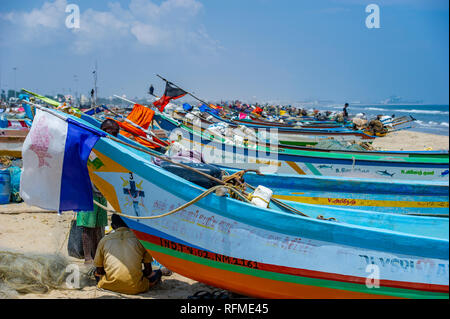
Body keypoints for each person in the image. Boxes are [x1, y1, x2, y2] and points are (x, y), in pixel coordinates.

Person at [76, 119, 120, 265]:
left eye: (116, 134)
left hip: (101, 191)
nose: (114, 136)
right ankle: (88, 257)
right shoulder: (93, 145)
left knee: (99, 225)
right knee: (87, 226)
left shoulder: (111, 148)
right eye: (111, 133)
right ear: (104, 131)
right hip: (88, 191)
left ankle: (97, 254)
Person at [93, 214, 163, 295]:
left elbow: (99, 271)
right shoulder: (140, 240)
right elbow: (148, 271)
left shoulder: (104, 240)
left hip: (109, 286)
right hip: (136, 288)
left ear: (112, 226)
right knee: (157, 273)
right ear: (129, 224)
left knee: (95, 272)